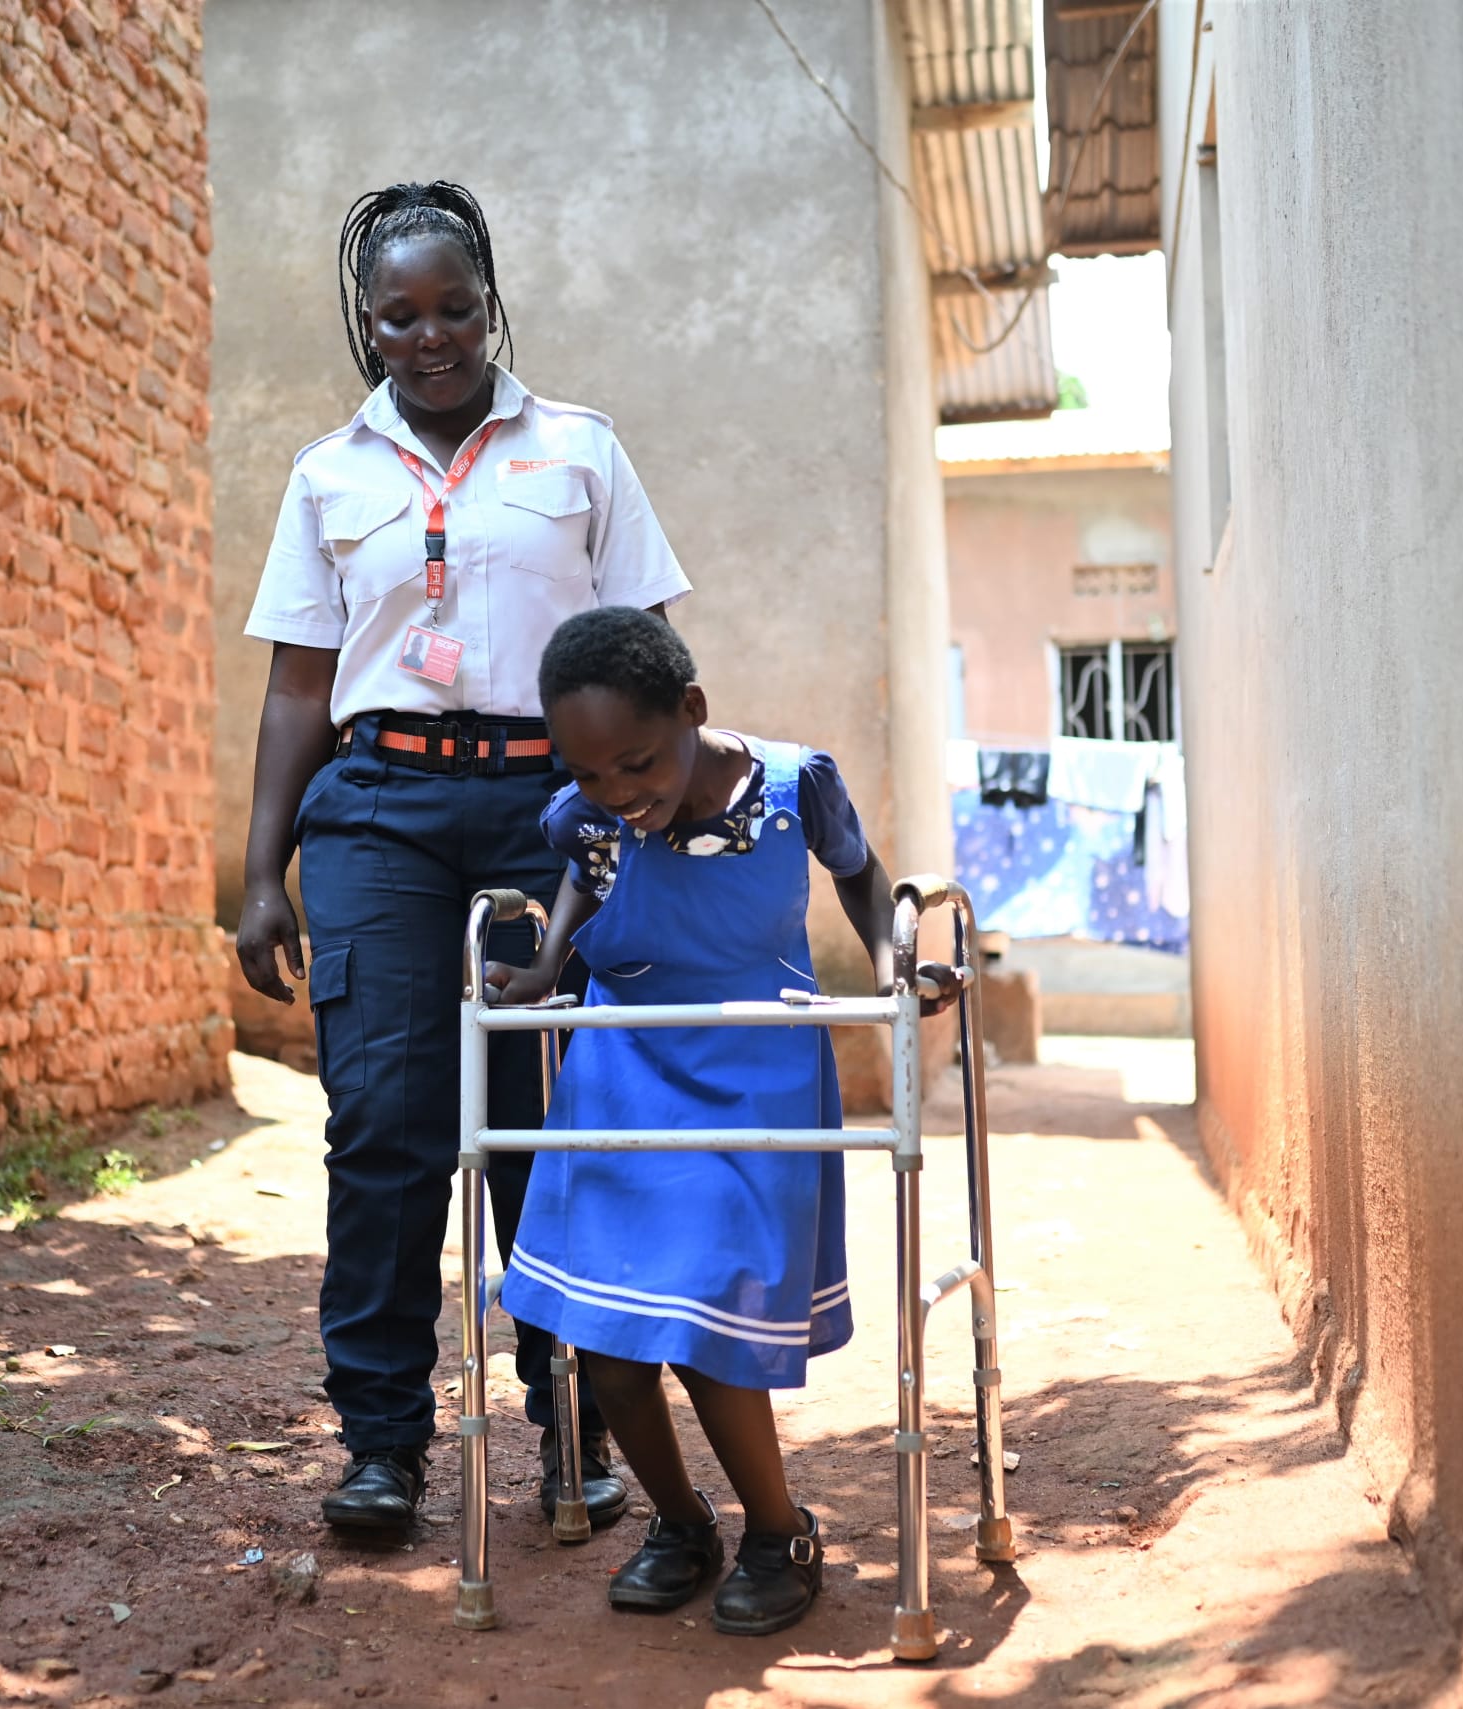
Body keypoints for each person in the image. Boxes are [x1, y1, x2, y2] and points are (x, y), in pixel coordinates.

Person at [236, 182, 692, 1540]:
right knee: (384, 1125)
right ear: (366, 323)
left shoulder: (581, 451)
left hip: (552, 806)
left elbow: (652, 658)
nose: (428, 336)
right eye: (399, 316)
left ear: (489, 304)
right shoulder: (329, 474)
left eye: (453, 308)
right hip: (378, 809)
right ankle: (382, 1445)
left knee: (543, 1125)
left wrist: (659, 823)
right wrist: (260, 875)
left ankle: (575, 1424)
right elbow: (297, 689)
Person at [486, 608, 950, 1637]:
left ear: (692, 709)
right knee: (605, 1338)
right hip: (625, 1063)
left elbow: (859, 873)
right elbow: (586, 874)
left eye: (637, 763)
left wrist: (897, 966)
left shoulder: (791, 787)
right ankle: (682, 1522)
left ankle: (779, 1532)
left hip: (752, 1067)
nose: (617, 791)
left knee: (704, 1313)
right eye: (589, 770)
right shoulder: (586, 813)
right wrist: (548, 964)